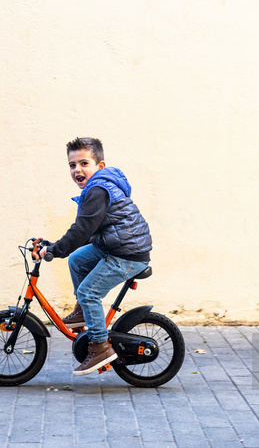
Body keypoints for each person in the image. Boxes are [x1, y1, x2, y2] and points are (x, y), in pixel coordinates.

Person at [33, 137, 152, 376]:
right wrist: (54, 245)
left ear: (100, 166)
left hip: (127, 253)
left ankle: (100, 347)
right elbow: (88, 231)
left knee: (89, 292)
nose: (77, 169)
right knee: (77, 260)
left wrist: (55, 250)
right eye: (72, 165)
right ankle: (82, 312)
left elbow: (82, 230)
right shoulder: (97, 187)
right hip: (116, 245)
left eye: (83, 163)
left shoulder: (98, 190)